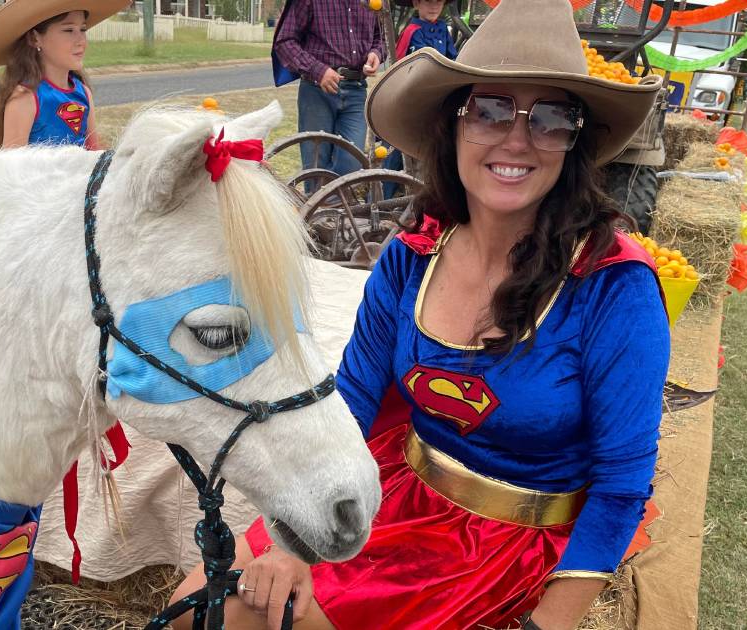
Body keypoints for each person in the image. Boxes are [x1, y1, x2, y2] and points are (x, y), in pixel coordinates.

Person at [171, 1, 669, 629]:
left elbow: (621, 487)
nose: (517, 138)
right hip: (392, 489)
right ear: (452, 126)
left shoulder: (613, 286)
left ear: (575, 142)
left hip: (506, 551)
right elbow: (351, 397)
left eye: (550, 117)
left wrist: (546, 626)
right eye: (489, 110)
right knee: (196, 610)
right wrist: (290, 544)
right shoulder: (413, 254)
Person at [0, 0, 126, 149]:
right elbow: (11, 168)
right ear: (35, 38)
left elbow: (95, 151)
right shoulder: (26, 98)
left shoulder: (83, 93)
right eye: (69, 30)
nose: (81, 41)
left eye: (83, 29)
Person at [272, 0, 385, 181]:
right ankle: (321, 206)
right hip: (316, 91)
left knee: (352, 162)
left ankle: (332, 203)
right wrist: (317, 70)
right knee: (315, 167)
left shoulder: (372, 1)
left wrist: (376, 53)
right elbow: (284, 41)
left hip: (356, 90)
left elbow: (381, 37)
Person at [381, 0, 460, 197]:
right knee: (395, 149)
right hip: (410, 100)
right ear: (416, 3)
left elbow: (454, 59)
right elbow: (403, 66)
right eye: (428, 1)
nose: (433, 6)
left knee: (431, 152)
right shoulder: (412, 31)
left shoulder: (443, 31)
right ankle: (383, 197)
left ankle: (427, 196)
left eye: (438, 2)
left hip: (436, 101)